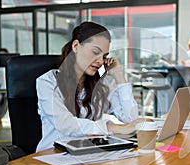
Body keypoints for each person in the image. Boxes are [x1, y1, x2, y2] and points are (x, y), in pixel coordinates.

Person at [36, 21, 147, 152]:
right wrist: (114, 128)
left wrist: (119, 77)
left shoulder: (102, 85)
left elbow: (131, 118)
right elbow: (66, 125)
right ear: (76, 46)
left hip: (89, 154)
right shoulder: (48, 82)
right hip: (53, 156)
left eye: (104, 56)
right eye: (95, 52)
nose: (100, 61)